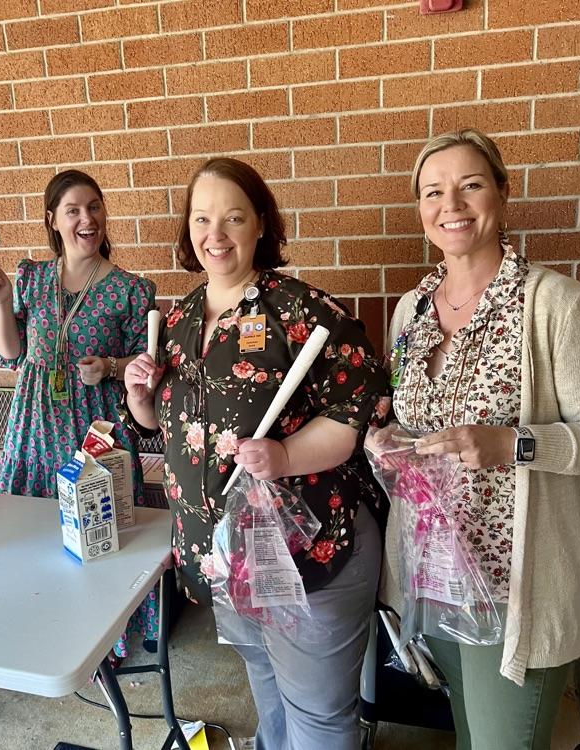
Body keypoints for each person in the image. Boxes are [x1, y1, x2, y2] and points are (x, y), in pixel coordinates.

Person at [123, 157, 391, 750]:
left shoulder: (300, 311)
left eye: (233, 217)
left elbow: (358, 411)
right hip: (226, 559)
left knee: (317, 714)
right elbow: (165, 429)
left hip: (308, 554)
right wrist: (141, 398)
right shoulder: (178, 319)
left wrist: (285, 456)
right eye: (201, 218)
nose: (214, 235)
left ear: (261, 224)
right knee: (266, 686)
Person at [380, 128, 580, 750]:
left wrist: (513, 445)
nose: (452, 204)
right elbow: (418, 423)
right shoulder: (411, 310)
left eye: (470, 185)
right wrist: (389, 443)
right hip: (437, 576)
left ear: (502, 193)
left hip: (517, 586)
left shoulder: (555, 304)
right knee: (471, 735)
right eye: (433, 192)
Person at [0, 169, 158, 663]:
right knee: (30, 519)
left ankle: (105, 632)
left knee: (101, 523)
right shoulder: (30, 279)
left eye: (95, 207)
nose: (87, 218)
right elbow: (11, 354)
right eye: (74, 210)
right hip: (34, 419)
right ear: (53, 221)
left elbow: (145, 363)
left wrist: (110, 367)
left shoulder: (129, 289)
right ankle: (40, 618)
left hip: (94, 424)